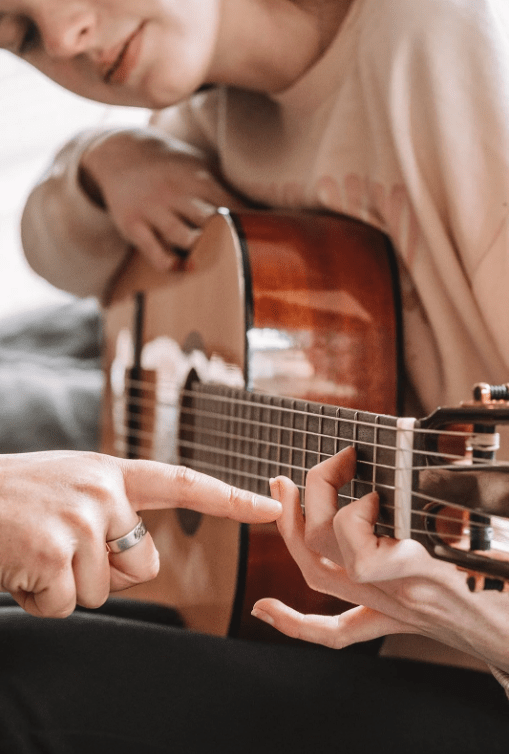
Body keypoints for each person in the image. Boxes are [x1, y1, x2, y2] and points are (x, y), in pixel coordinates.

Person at [1, 0, 509, 750]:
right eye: (21, 34)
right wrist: (102, 159)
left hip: (457, 667)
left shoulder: (457, 61)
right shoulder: (213, 115)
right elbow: (57, 247)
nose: (69, 34)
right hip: (247, 505)